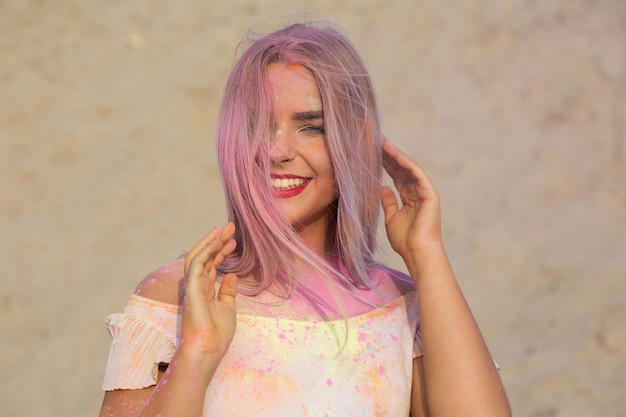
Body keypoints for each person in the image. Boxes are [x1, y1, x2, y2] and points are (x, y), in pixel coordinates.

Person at [98, 18, 511, 417]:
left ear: (354, 142)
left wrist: (426, 253)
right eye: (258, 125)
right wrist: (197, 352)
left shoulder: (406, 310)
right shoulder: (175, 299)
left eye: (311, 128)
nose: (277, 152)